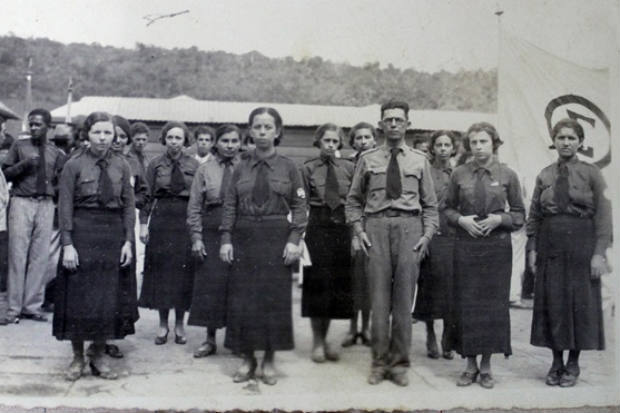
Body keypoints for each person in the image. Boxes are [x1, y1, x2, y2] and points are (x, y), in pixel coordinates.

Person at [345, 100, 439, 387]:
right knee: (379, 301)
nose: (394, 124)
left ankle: (399, 364)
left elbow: (431, 206)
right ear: (381, 125)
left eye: (400, 120)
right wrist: (358, 230)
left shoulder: (419, 161)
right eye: (389, 120)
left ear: (408, 124)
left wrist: (426, 235)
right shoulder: (368, 158)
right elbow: (353, 201)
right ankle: (378, 362)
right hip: (376, 228)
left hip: (410, 229)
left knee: (402, 304)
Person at [219, 107, 307, 385]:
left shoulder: (289, 167)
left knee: (272, 301)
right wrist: (226, 240)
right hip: (244, 238)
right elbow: (230, 205)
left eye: (268, 127)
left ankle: (269, 358)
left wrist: (294, 241)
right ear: (250, 130)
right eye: (257, 127)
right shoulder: (240, 167)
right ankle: (247, 358)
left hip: (275, 239)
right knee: (242, 301)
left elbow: (300, 207)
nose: (262, 132)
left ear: (278, 131)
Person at [527, 118, 612, 387]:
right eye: (561, 138)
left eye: (571, 138)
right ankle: (556, 361)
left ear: (580, 142)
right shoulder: (545, 174)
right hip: (550, 244)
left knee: (579, 303)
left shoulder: (592, 173)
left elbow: (604, 216)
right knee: (553, 302)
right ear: (554, 142)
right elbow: (535, 216)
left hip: (581, 244)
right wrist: (532, 249)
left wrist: (598, 253)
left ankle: (573, 363)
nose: (566, 142)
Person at [53, 111, 136, 381]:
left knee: (106, 300)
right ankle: (77, 356)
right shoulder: (73, 165)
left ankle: (97, 354)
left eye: (107, 133)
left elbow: (129, 206)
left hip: (112, 236)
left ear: (114, 136)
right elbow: (64, 206)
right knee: (78, 299)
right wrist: (67, 244)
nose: (102, 137)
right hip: (82, 233)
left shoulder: (122, 165)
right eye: (97, 132)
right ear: (87, 135)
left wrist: (127, 242)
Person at [444, 122, 525, 389]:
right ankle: (469, 365)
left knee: (491, 306)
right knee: (466, 305)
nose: (479, 147)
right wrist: (461, 221)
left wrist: (498, 219)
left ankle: (487, 366)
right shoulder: (458, 174)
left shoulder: (508, 175)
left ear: (494, 144)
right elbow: (447, 209)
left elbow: (519, 215)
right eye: (474, 143)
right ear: (469, 146)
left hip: (496, 248)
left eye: (484, 142)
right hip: (466, 247)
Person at [2, 108, 66, 324]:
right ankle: (13, 309)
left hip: (46, 205)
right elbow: (6, 173)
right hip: (21, 202)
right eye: (31, 124)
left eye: (38, 124)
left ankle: (32, 306)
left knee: (40, 257)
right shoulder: (19, 146)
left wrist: (53, 191)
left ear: (48, 127)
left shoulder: (55, 153)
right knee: (17, 254)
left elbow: (62, 179)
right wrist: (24, 165)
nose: (34, 128)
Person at [139, 121, 199, 346]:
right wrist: (144, 224)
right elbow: (146, 197)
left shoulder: (194, 165)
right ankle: (163, 325)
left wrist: (196, 229)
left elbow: (198, 199)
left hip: (185, 219)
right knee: (162, 274)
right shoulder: (155, 165)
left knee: (183, 274)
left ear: (185, 141)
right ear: (164, 139)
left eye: (179, 138)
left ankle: (180, 325)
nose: (174, 142)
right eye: (171, 137)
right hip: (162, 219)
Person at [300, 123, 354, 363]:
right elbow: (300, 204)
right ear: (318, 142)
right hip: (318, 228)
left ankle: (327, 337)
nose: (331, 145)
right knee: (316, 286)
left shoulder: (349, 168)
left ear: (339, 144)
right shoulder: (308, 168)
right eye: (326, 141)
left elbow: (354, 202)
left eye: (335, 141)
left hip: (342, 229)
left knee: (334, 288)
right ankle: (317, 342)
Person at [187, 124, 242, 358]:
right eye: (225, 141)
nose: (230, 145)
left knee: (238, 286)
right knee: (211, 286)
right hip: (211, 229)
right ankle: (210, 340)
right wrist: (197, 238)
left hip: (240, 230)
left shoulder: (246, 168)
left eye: (234, 141)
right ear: (216, 143)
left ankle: (237, 340)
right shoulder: (204, 170)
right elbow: (194, 207)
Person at [412, 130, 458, 360]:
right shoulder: (425, 171)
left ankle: (448, 337)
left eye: (447, 145)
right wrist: (424, 237)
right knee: (429, 287)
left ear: (453, 148)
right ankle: (430, 333)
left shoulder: (459, 173)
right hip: (432, 235)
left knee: (452, 288)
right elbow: (419, 205)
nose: (442, 148)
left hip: (454, 236)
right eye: (438, 144)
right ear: (432, 148)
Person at [341, 122, 376, 347]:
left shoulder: (379, 162)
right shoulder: (346, 165)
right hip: (349, 226)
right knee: (351, 280)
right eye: (359, 138)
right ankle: (352, 328)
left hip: (372, 227)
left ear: (374, 139)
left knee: (369, 279)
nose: (363, 141)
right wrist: (354, 230)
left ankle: (366, 328)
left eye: (367, 137)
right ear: (352, 141)